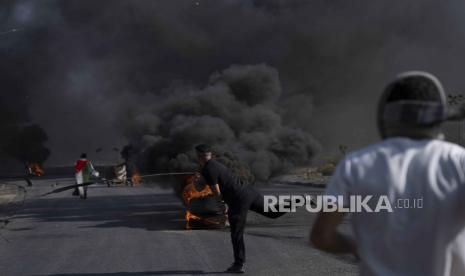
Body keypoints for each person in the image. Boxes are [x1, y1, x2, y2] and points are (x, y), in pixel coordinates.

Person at [310, 71, 465, 276]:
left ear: (386, 115)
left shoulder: (356, 164)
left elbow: (322, 236)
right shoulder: (458, 161)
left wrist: (357, 246)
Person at [195, 144, 286, 274]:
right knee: (273, 212)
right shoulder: (215, 164)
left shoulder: (208, 169)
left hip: (238, 199)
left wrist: (221, 204)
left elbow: (216, 190)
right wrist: (201, 179)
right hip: (249, 191)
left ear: (198, 156)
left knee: (236, 232)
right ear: (211, 155)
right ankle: (301, 200)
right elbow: (211, 182)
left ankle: (238, 264)